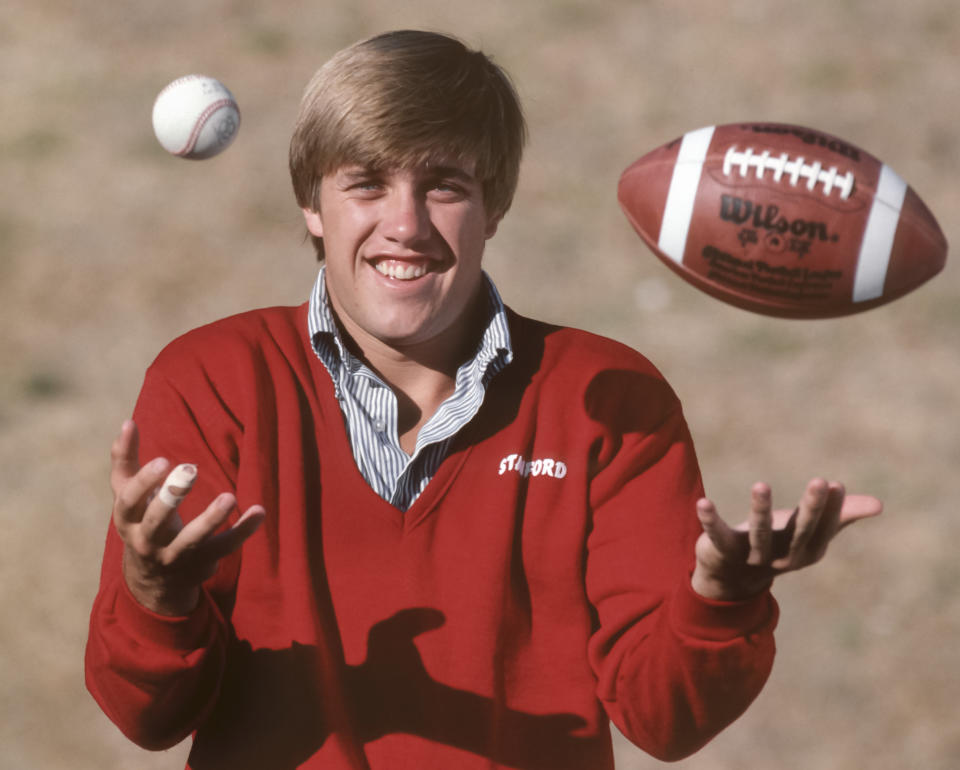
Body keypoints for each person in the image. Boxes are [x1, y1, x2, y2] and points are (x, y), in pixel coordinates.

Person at [85, 29, 882, 770]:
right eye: (366, 184)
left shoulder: (606, 398)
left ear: (494, 205)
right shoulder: (213, 382)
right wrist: (157, 595)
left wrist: (721, 601)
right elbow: (145, 717)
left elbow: (662, 719)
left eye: (444, 187)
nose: (406, 224)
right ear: (312, 205)